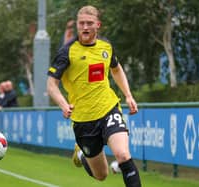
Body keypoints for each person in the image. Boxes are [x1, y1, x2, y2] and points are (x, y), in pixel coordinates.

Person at [47, 5, 141, 187]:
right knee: (102, 175)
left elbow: (117, 69)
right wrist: (63, 104)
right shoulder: (66, 53)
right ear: (77, 25)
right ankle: (81, 154)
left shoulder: (106, 46)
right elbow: (51, 85)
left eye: (89, 23)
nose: (85, 27)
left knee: (123, 155)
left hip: (109, 109)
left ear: (98, 25)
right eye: (81, 23)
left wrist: (128, 95)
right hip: (83, 120)